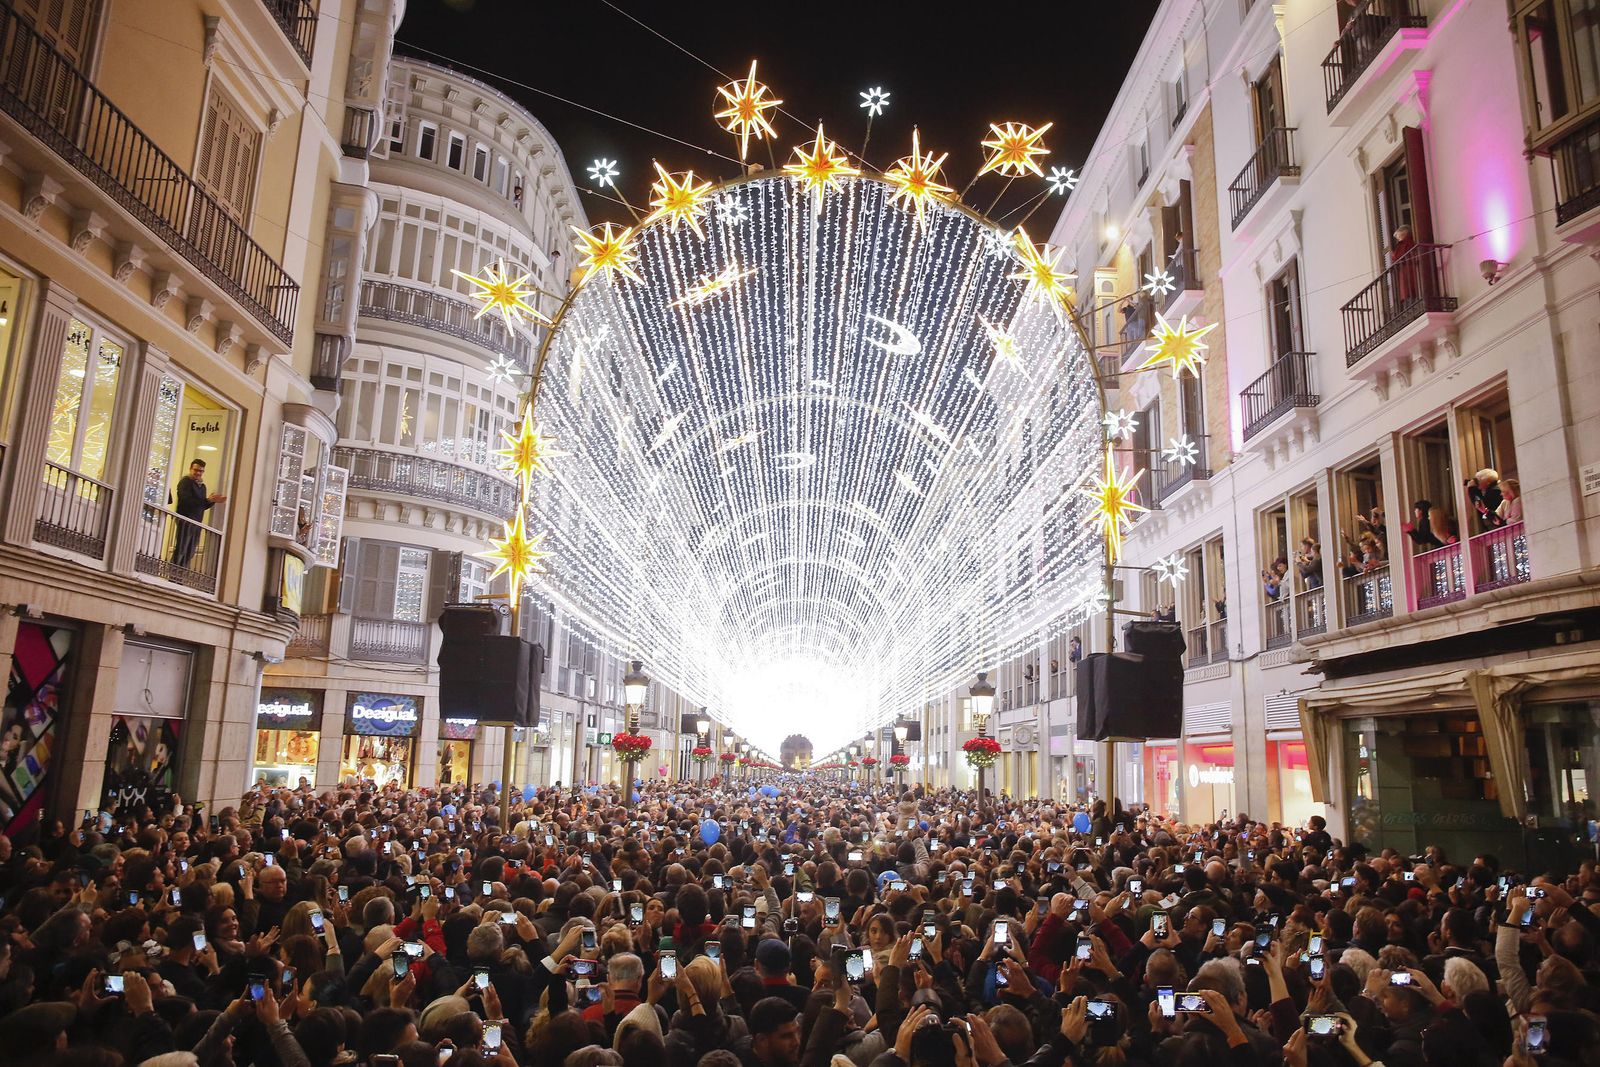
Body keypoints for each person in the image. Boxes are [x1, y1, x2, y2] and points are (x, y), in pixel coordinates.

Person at [170, 459, 226, 568]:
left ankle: (179, 575)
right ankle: (173, 574)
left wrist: (212, 501)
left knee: (190, 551)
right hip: (186, 520)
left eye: (201, 471)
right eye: (196, 470)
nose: (198, 473)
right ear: (190, 469)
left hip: (196, 523)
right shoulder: (185, 482)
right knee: (181, 548)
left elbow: (202, 506)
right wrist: (207, 500)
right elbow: (186, 500)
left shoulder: (202, 486)